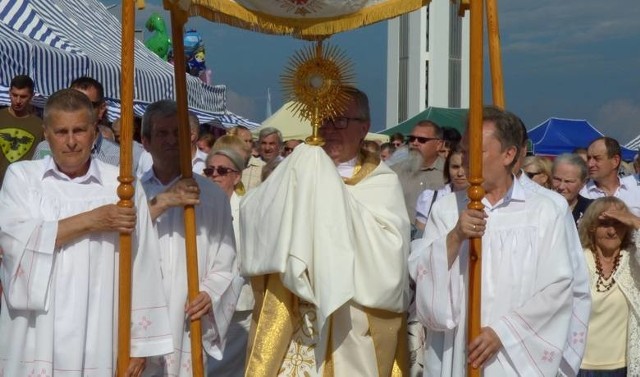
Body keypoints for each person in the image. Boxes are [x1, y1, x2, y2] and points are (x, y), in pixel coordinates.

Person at [0, 88, 173, 376]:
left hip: (101, 329)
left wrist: (139, 345)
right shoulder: (23, 179)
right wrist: (92, 220)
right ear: (46, 133)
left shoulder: (121, 187)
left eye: (79, 130)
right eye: (61, 131)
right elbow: (13, 243)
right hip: (36, 331)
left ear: (94, 132)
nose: (70, 142)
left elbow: (143, 264)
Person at [241, 86, 410, 376]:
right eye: (325, 119)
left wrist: (328, 192)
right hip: (295, 310)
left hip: (352, 321)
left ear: (364, 128)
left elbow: (389, 253)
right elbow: (252, 212)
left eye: (341, 121)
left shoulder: (382, 182)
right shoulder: (296, 169)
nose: (330, 129)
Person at [410, 106, 575, 376]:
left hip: (518, 351)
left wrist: (502, 332)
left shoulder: (545, 209)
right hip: (460, 349)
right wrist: (455, 237)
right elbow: (423, 275)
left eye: (476, 151)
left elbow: (558, 286)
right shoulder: (447, 209)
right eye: (463, 150)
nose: (464, 160)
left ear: (509, 154)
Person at [138, 100, 241, 376]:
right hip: (140, 312)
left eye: (178, 133)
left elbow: (227, 260)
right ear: (145, 141)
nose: (172, 140)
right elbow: (117, 244)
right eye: (162, 133)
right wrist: (163, 202)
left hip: (186, 314)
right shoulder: (131, 192)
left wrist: (209, 292)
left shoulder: (213, 196)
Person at [577, 197, 640, 376]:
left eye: (619, 223)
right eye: (605, 224)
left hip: (623, 366)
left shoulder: (633, 260)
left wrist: (636, 221)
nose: (612, 231)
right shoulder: (577, 259)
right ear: (591, 227)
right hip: (579, 365)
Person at [204, 146, 253, 377]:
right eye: (209, 170)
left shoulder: (248, 208)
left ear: (237, 176)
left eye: (222, 170)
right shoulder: (197, 206)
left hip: (237, 307)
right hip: (203, 304)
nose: (214, 175)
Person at [392, 120, 445, 224]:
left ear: (439, 144)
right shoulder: (394, 173)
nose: (415, 143)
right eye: (411, 139)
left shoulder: (449, 174)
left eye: (422, 140)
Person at [414, 146, 468, 236]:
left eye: (466, 167)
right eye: (455, 167)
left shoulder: (485, 199)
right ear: (448, 168)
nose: (460, 173)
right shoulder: (431, 198)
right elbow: (419, 240)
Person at [580, 137, 640, 216]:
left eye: (597, 158)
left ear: (615, 161)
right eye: (589, 158)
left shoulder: (635, 189)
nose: (590, 164)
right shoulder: (581, 194)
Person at [0, 74, 43, 184]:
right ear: (9, 93)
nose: (18, 101)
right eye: (14, 95)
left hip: (22, 186)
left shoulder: (40, 126)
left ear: (32, 96)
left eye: (23, 96)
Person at [552, 153, 593, 226]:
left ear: (583, 182)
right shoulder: (540, 206)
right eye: (557, 179)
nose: (561, 187)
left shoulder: (591, 209)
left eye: (568, 181)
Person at [228, 126, 264, 190]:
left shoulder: (262, 168)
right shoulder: (223, 165)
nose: (248, 145)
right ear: (234, 142)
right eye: (245, 141)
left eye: (250, 141)